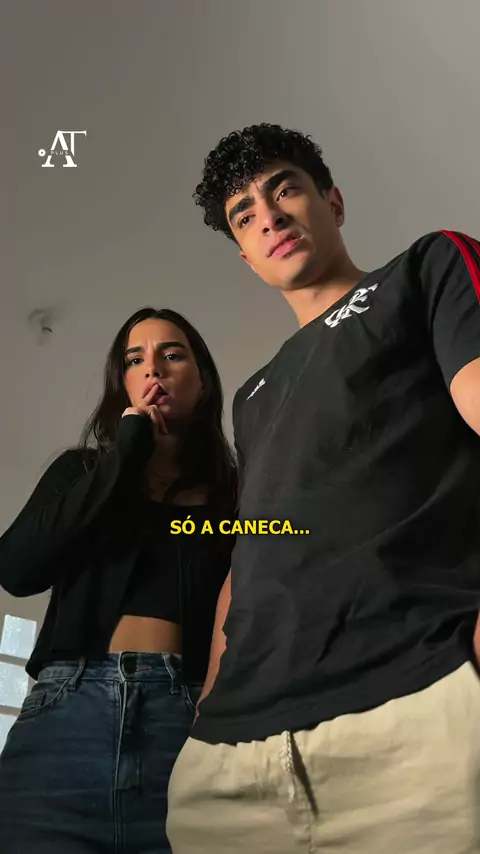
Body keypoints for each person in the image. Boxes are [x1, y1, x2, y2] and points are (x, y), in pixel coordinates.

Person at [166, 124, 480, 854]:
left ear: (332, 202)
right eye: (245, 215)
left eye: (285, 190)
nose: (269, 217)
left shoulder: (426, 268)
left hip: (419, 708)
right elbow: (255, 545)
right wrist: (207, 703)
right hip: (228, 759)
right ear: (245, 256)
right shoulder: (252, 395)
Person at [0, 307, 236, 854]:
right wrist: (125, 454)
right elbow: (17, 570)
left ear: (202, 382)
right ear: (123, 384)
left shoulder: (233, 499)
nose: (153, 368)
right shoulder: (80, 472)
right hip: (65, 712)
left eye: (172, 354)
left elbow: (268, 576)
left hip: (187, 718)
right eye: (135, 360)